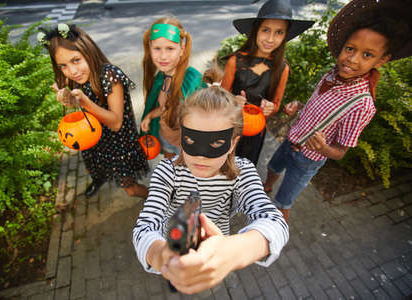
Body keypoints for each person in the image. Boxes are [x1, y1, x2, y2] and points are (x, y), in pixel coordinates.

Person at [264, 0, 412, 222]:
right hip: (291, 139)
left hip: (308, 159)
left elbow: (341, 151)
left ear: (382, 60)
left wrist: (324, 148)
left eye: (367, 55)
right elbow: (317, 107)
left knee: (284, 201)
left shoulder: (362, 105)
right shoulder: (331, 75)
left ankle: (274, 230)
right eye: (350, 49)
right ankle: (266, 187)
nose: (352, 59)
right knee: (273, 166)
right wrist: (298, 107)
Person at [133, 87, 289, 294]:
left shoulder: (242, 174)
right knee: (177, 279)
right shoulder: (167, 172)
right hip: (171, 241)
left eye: (216, 142)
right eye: (191, 140)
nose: (202, 156)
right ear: (182, 136)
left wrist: (234, 251)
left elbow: (275, 222)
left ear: (233, 143)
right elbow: (144, 228)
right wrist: (163, 255)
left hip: (217, 243)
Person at [38, 23, 149, 198]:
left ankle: (160, 201)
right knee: (94, 169)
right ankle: (98, 179)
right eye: (63, 66)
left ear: (88, 51)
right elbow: (69, 93)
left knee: (131, 189)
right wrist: (65, 95)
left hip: (118, 145)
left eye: (76, 60)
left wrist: (84, 101)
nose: (72, 71)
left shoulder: (109, 76)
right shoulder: (75, 77)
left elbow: (116, 123)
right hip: (92, 138)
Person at [221, 0, 314, 166]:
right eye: (266, 30)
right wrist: (232, 101)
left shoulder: (282, 68)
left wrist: (270, 109)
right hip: (229, 126)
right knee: (222, 164)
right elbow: (220, 96)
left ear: (285, 35)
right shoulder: (235, 61)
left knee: (243, 170)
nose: (270, 39)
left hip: (255, 131)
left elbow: (276, 104)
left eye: (279, 32)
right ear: (256, 30)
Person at [140, 17, 206, 159]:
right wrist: (150, 115)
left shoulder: (192, 80)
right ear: (149, 49)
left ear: (182, 49)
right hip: (167, 138)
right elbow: (166, 107)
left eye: (170, 48)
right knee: (171, 170)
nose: (163, 56)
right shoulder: (161, 78)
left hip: (187, 146)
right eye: (157, 49)